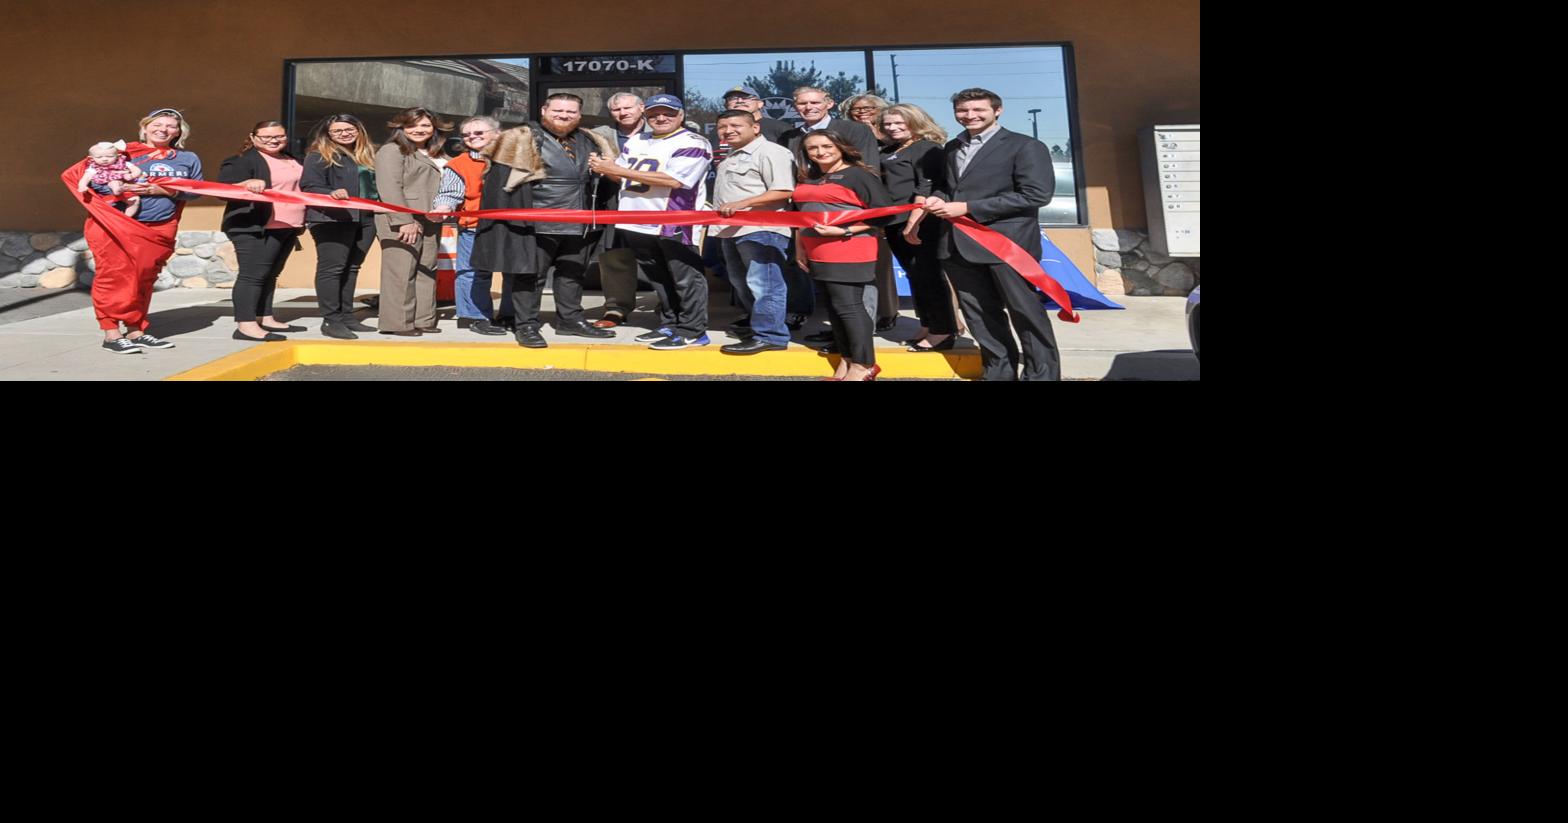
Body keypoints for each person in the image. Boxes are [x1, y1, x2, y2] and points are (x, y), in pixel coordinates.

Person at [924, 88, 1060, 381]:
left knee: (1025, 314)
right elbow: (950, 189)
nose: (969, 116)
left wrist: (968, 207)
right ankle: (998, 372)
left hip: (1007, 245)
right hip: (958, 245)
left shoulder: (1025, 146)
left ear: (997, 110)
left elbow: (1036, 195)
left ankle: (1042, 375)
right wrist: (937, 198)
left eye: (978, 110)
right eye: (962, 111)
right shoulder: (951, 147)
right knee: (980, 315)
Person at [470, 93, 619, 348]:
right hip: (536, 221)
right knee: (530, 277)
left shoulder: (589, 139)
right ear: (543, 110)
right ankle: (526, 325)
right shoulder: (520, 138)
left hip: (580, 219)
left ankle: (570, 320)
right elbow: (500, 185)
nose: (564, 116)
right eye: (558, 111)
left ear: (579, 115)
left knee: (572, 274)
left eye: (571, 112)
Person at [588, 93, 713, 350]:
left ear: (681, 115)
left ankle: (693, 330)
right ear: (647, 115)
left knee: (685, 277)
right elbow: (624, 178)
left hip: (675, 220)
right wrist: (604, 167)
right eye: (655, 114)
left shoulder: (693, 141)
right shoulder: (637, 140)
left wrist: (615, 169)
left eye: (668, 113)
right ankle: (670, 322)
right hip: (635, 218)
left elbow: (674, 180)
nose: (661, 118)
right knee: (659, 278)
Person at [77, 107, 202, 355]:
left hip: (160, 227)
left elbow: (196, 190)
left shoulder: (187, 158)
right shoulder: (122, 152)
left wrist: (166, 191)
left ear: (179, 132)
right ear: (144, 127)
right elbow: (86, 177)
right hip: (118, 225)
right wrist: (122, 187)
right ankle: (111, 333)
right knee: (113, 277)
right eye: (157, 124)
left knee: (143, 279)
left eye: (170, 126)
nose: (163, 129)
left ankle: (136, 330)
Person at [780, 86, 884, 331]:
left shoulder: (854, 130)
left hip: (849, 214)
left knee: (857, 283)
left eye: (814, 102)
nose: (808, 107)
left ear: (829, 103)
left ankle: (862, 333)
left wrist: (864, 219)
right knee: (826, 281)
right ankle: (839, 335)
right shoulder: (791, 136)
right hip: (808, 214)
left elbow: (868, 170)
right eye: (802, 103)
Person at [794, 131, 894, 381]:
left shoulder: (858, 175)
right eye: (813, 148)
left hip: (849, 246)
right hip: (815, 248)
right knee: (834, 307)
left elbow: (885, 213)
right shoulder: (812, 176)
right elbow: (802, 214)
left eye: (827, 146)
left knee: (848, 306)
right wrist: (800, 246)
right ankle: (847, 362)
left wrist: (846, 229)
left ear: (840, 146)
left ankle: (864, 365)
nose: (820, 152)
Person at [711, 109, 796, 355]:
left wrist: (741, 204)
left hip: (762, 230)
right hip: (731, 230)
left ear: (755, 127)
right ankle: (758, 327)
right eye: (722, 127)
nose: (728, 131)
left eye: (735, 125)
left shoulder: (772, 152)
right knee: (741, 282)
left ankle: (771, 336)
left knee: (765, 284)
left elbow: (783, 191)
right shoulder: (731, 155)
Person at [880, 103, 959, 352]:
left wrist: (913, 223)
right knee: (916, 276)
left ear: (915, 121)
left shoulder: (928, 149)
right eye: (887, 124)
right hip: (894, 222)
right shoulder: (889, 149)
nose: (892, 128)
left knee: (930, 276)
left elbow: (926, 189)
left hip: (920, 222)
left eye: (898, 123)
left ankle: (943, 331)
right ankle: (928, 324)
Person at [220, 121, 308, 342]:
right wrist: (246, 183)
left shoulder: (291, 158)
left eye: (279, 136)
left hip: (287, 226)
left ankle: (264, 316)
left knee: (270, 275)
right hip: (255, 227)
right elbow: (223, 189)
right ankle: (245, 325)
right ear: (253, 137)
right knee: (253, 276)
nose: (273, 140)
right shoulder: (241, 160)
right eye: (266, 137)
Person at [301, 114, 381, 340]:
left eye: (349, 129)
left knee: (352, 268)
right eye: (337, 131)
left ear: (359, 130)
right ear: (328, 134)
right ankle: (331, 319)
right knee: (332, 269)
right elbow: (309, 185)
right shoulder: (318, 155)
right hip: (333, 218)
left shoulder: (367, 155)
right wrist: (330, 193)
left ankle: (347, 316)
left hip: (365, 218)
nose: (344, 134)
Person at [374, 106, 451, 337]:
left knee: (427, 269)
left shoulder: (438, 153)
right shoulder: (392, 151)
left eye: (425, 125)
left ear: (434, 128)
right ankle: (397, 323)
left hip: (431, 219)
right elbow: (389, 188)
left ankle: (424, 319)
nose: (419, 129)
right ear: (401, 127)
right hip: (402, 219)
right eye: (412, 125)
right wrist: (403, 220)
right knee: (400, 272)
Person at [430, 116, 509, 336]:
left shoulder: (515, 160)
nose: (472, 137)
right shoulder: (458, 164)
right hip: (474, 226)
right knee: (472, 273)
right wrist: (443, 208)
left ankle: (510, 315)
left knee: (514, 272)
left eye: (479, 133)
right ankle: (476, 317)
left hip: (511, 226)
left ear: (497, 133)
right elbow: (449, 193)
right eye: (467, 135)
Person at [589, 92, 650, 329]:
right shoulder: (599, 135)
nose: (623, 113)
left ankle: (668, 304)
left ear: (641, 107)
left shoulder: (659, 130)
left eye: (627, 108)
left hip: (653, 202)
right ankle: (616, 308)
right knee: (614, 256)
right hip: (613, 201)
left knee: (660, 256)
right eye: (616, 109)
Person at [78, 141, 144, 218]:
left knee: (135, 200)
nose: (104, 159)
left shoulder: (123, 163)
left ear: (117, 156)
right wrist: (82, 186)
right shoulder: (94, 167)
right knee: (114, 182)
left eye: (109, 156)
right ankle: (117, 189)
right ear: (91, 158)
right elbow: (86, 177)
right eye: (99, 157)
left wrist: (132, 175)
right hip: (108, 187)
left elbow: (137, 170)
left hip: (125, 188)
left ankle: (126, 218)